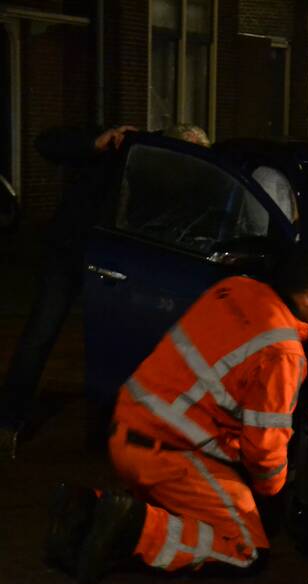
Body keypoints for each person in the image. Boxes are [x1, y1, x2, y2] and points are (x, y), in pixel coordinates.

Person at [46, 245, 308, 584]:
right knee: (244, 547)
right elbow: (264, 448)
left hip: (127, 432)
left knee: (205, 515)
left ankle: (89, 509)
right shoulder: (282, 353)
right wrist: (273, 493)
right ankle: (134, 529)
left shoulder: (235, 289)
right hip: (171, 456)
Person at [0, 123, 210, 459]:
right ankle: (9, 420)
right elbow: (46, 141)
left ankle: (112, 426)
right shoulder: (123, 145)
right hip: (70, 254)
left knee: (120, 336)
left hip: (115, 263)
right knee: (41, 333)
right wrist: (93, 142)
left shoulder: (174, 179)